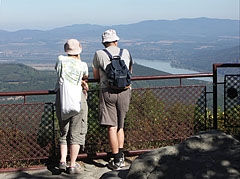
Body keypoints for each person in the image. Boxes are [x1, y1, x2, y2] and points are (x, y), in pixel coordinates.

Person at [92, 29, 133, 170]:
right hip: (125, 91)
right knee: (121, 126)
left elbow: (96, 77)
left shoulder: (99, 54)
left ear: (104, 43)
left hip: (107, 91)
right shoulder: (126, 52)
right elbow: (130, 72)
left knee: (112, 126)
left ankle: (116, 160)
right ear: (116, 41)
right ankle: (121, 157)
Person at [55, 39, 88, 174]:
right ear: (79, 49)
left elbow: (58, 72)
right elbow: (85, 76)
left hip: (62, 97)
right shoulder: (83, 64)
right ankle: (72, 165)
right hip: (77, 99)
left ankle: (62, 160)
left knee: (64, 131)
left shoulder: (61, 60)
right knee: (77, 133)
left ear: (66, 49)